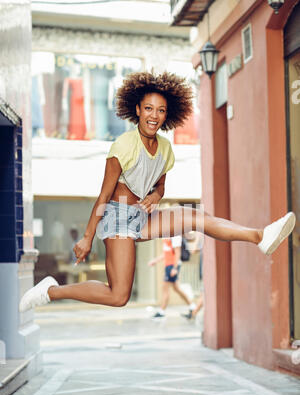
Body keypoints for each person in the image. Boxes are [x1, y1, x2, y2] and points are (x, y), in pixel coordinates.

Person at [19, 71, 296, 313]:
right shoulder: (124, 145)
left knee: (198, 217)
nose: (154, 116)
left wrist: (155, 197)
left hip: (141, 214)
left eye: (161, 110)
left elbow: (160, 185)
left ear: (168, 114)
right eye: (149, 109)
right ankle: (50, 291)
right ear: (137, 109)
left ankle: (260, 237)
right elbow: (103, 196)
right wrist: (87, 237)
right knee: (118, 296)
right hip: (116, 218)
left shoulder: (165, 148)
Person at [148, 235, 196, 320]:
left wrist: (175, 268)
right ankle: (192, 306)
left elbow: (178, 253)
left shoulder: (175, 235)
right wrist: (155, 261)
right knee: (176, 288)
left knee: (165, 288)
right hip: (169, 265)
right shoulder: (166, 235)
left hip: (172, 266)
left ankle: (161, 312)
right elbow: (166, 253)